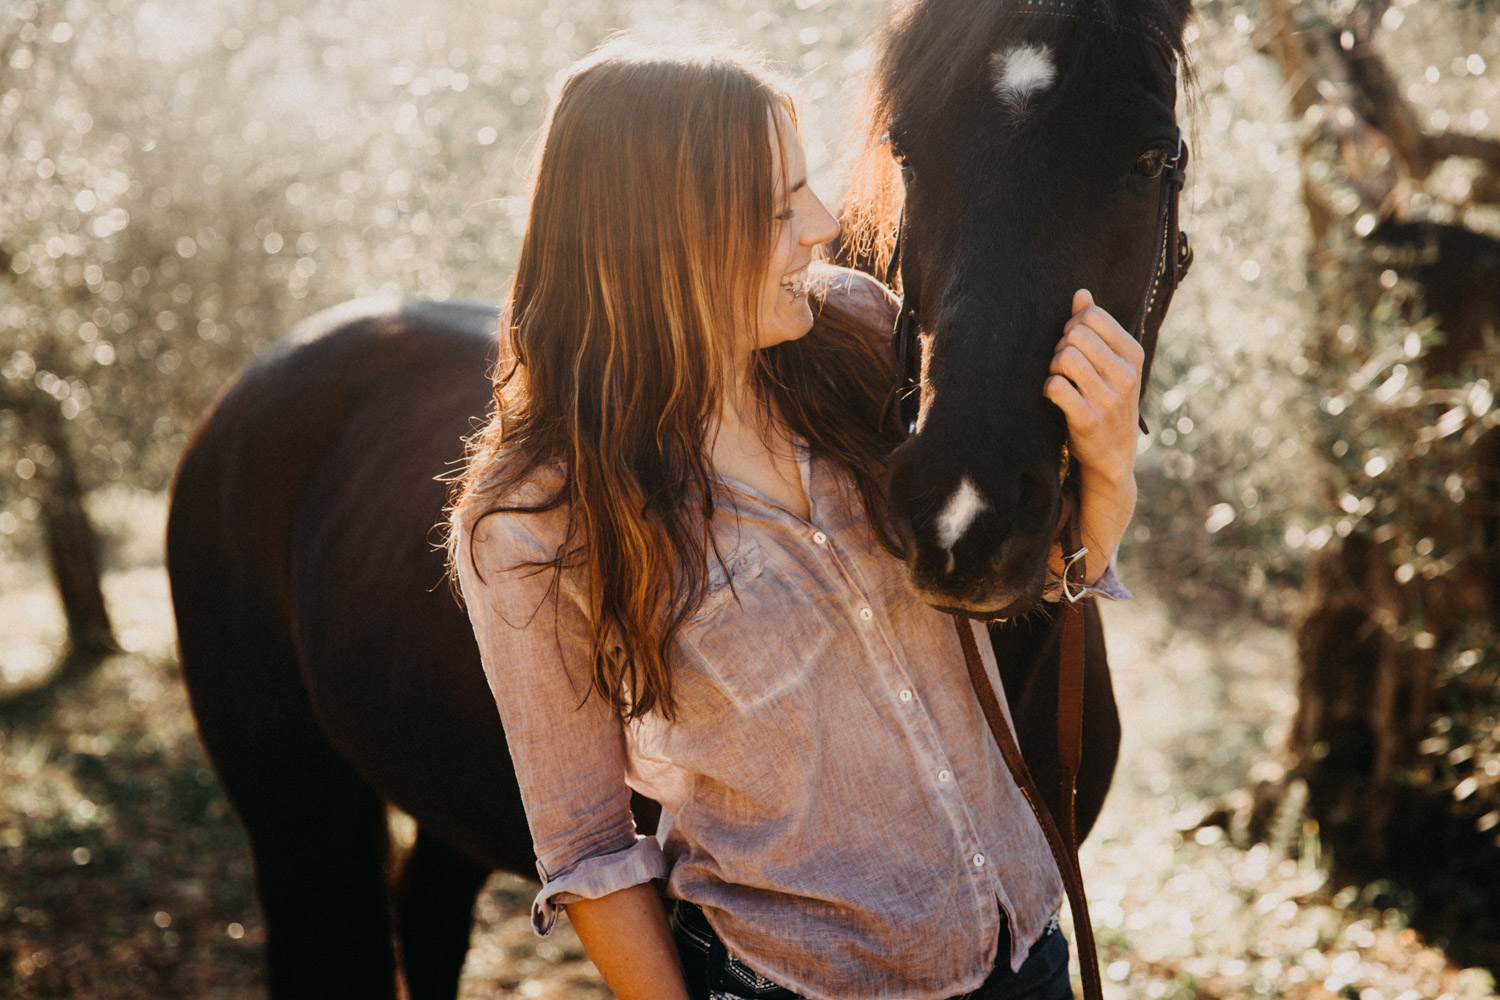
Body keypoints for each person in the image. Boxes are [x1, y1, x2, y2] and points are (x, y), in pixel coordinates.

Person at [448, 38, 1142, 1000]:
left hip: (1025, 956)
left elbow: (1023, 574)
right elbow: (589, 852)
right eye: (779, 209)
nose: (820, 228)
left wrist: (1108, 470)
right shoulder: (531, 521)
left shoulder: (859, 331)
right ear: (661, 235)